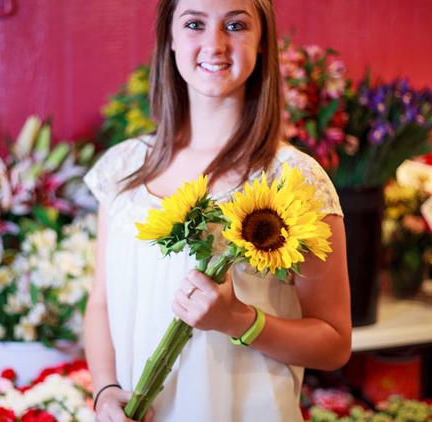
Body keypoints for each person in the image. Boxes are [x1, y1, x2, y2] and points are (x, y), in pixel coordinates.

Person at [83, 0, 352, 421]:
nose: (215, 44)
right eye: (194, 23)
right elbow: (100, 303)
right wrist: (105, 391)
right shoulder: (123, 170)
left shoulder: (294, 179)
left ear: (262, 42)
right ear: (169, 38)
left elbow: (334, 343)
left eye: (236, 24)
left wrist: (237, 319)